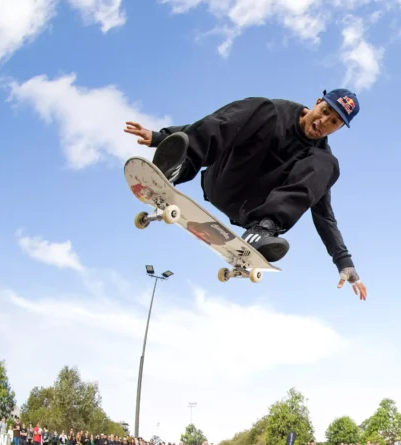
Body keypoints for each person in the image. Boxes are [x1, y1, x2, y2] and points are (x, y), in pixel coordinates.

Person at [124, 90, 367, 301]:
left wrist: (344, 262)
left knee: (328, 163)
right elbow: (222, 122)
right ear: (317, 102)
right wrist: (162, 137)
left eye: (333, 122)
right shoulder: (276, 112)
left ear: (338, 128)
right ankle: (181, 165)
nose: (323, 122)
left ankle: (263, 230)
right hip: (224, 180)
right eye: (324, 111)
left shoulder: (320, 158)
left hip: (252, 210)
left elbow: (324, 216)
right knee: (262, 108)